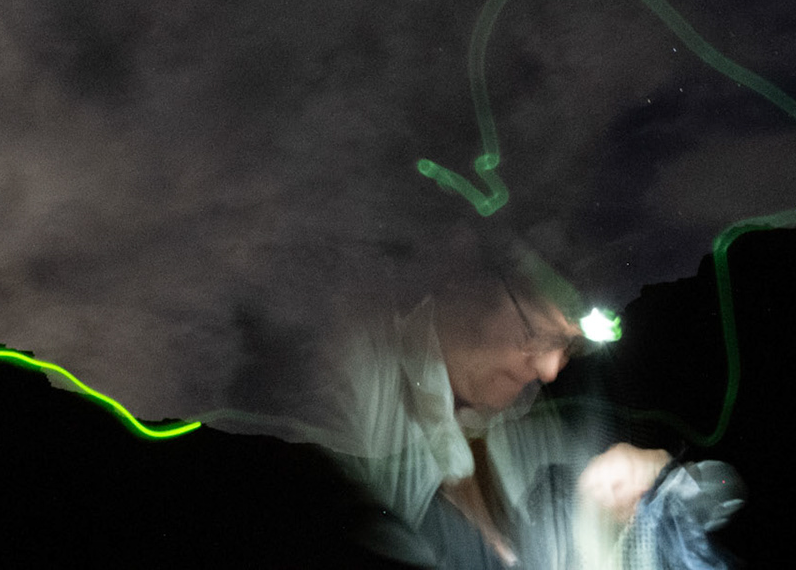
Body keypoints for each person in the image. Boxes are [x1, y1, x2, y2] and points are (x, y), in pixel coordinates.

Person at [316, 226, 744, 568]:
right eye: (534, 334)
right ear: (462, 280)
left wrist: (607, 516)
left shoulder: (517, 425)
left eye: (569, 346)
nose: (551, 369)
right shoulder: (355, 388)